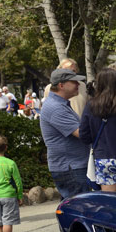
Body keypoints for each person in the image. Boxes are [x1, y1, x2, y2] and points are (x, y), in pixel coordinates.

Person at [40, 68, 91, 199]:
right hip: (70, 167)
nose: (78, 85)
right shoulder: (56, 108)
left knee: (75, 208)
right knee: (79, 208)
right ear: (61, 85)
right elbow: (83, 134)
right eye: (74, 82)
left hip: (71, 166)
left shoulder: (59, 105)